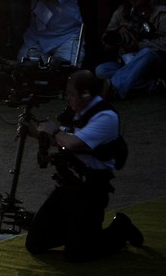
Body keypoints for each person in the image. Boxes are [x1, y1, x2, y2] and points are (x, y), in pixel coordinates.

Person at [24, 69, 143, 262]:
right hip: (68, 185)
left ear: (86, 94)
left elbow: (74, 143)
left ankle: (120, 228)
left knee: (78, 253)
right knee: (35, 244)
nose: (67, 97)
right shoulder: (77, 111)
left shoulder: (106, 117)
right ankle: (75, 232)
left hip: (91, 191)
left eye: (71, 93)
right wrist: (33, 131)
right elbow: (63, 140)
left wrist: (52, 131)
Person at [95, 0, 166, 99]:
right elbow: (106, 39)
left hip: (155, 64)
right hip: (128, 62)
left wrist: (138, 45)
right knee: (101, 71)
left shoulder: (161, 14)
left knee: (147, 52)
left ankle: (114, 89)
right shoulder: (121, 13)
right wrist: (118, 33)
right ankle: (152, 86)